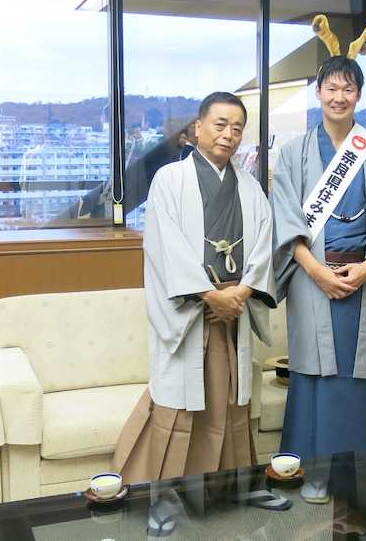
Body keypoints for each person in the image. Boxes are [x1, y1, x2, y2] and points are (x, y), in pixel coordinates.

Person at [112, 91, 276, 485]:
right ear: (198, 128)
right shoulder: (170, 180)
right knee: (179, 407)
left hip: (232, 312)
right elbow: (164, 245)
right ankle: (164, 494)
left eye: (237, 128)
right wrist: (209, 294)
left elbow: (264, 243)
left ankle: (227, 490)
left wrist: (244, 292)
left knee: (231, 406)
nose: (229, 135)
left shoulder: (250, 186)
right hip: (192, 312)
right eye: (220, 125)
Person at [272, 55, 366, 505]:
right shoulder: (294, 153)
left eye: (348, 89)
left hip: (364, 278)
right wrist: (313, 270)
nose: (338, 96)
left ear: (359, 96)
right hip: (313, 278)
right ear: (318, 93)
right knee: (312, 375)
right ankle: (309, 471)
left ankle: (352, 474)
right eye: (330, 88)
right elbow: (284, 216)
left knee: (355, 377)